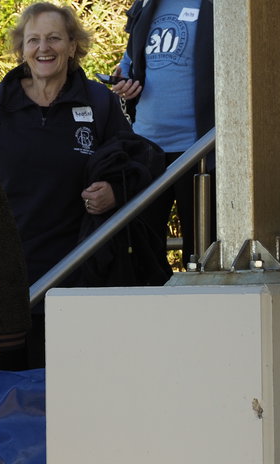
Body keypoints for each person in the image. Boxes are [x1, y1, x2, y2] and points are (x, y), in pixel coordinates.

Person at [0, 1, 132, 366]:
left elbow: (135, 161)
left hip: (80, 271)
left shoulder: (99, 102)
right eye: (33, 40)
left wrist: (115, 192)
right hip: (9, 271)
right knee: (14, 384)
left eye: (54, 38)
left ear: (72, 46)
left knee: (78, 380)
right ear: (22, 49)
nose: (43, 48)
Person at [110, 0, 215, 265]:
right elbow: (129, 61)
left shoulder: (215, 5)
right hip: (146, 149)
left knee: (200, 254)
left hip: (198, 151)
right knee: (142, 252)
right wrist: (124, 81)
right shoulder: (147, 3)